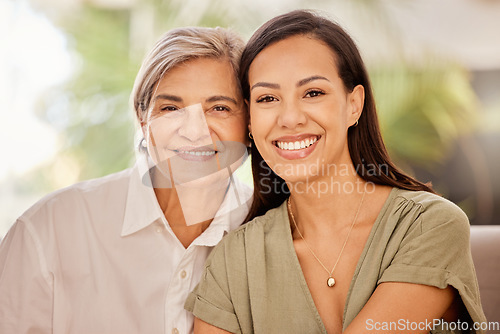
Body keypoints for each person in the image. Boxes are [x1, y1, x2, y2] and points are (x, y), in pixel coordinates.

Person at [185, 10, 487, 334]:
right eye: (267, 98)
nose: (290, 118)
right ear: (249, 121)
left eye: (313, 93)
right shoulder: (236, 258)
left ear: (354, 104)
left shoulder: (428, 226)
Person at [0, 26, 252, 334]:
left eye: (219, 108)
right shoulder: (49, 230)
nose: (194, 131)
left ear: (250, 122)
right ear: (143, 119)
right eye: (171, 108)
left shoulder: (275, 234)